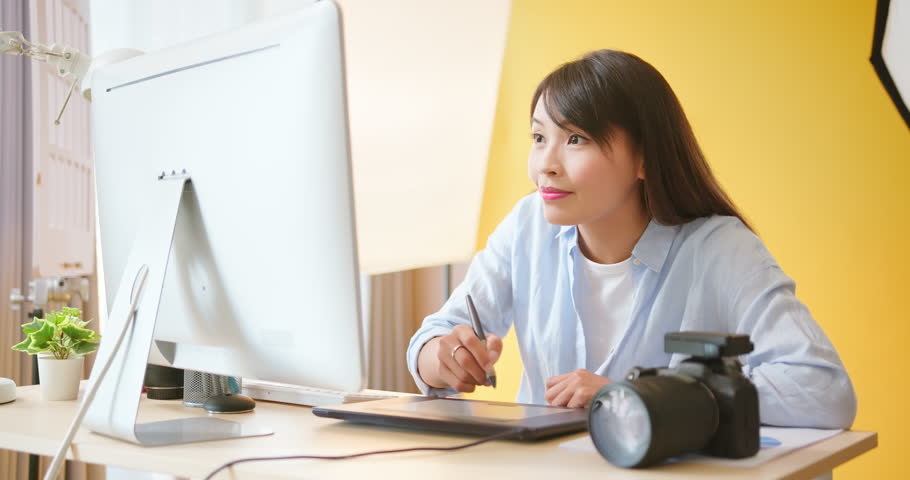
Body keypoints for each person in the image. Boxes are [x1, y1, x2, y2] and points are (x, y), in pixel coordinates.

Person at [406, 49, 856, 428]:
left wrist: (645, 396)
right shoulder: (528, 225)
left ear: (644, 158)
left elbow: (824, 390)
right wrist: (442, 359)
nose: (546, 163)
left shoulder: (720, 249)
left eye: (576, 138)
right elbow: (437, 336)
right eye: (539, 137)